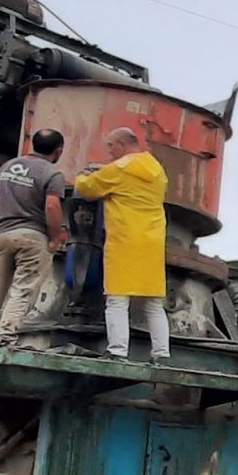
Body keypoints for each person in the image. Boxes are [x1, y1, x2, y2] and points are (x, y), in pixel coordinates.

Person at [0, 128, 69, 346]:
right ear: (58, 151)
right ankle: (4, 337)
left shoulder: (8, 166)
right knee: (23, 289)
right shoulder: (52, 174)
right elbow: (51, 205)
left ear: (32, 145)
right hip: (33, 236)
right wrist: (56, 237)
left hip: (3, 234)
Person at [74, 125, 171, 360]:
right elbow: (127, 182)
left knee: (117, 299)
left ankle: (117, 350)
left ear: (121, 144)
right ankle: (162, 353)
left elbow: (87, 188)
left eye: (110, 146)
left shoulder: (119, 168)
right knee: (154, 303)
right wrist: (105, 170)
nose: (109, 151)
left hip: (124, 241)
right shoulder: (157, 169)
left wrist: (83, 175)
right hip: (152, 242)